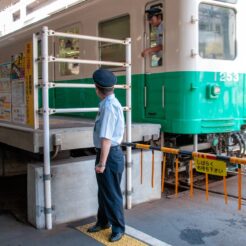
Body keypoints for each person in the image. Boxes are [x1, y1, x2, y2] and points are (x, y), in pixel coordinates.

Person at [87, 69, 125, 243]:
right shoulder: (108, 103)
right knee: (104, 192)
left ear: (97, 88)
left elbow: (106, 139)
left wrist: (102, 163)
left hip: (108, 155)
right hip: (109, 155)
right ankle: (103, 222)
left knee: (111, 194)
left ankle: (118, 228)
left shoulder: (109, 107)